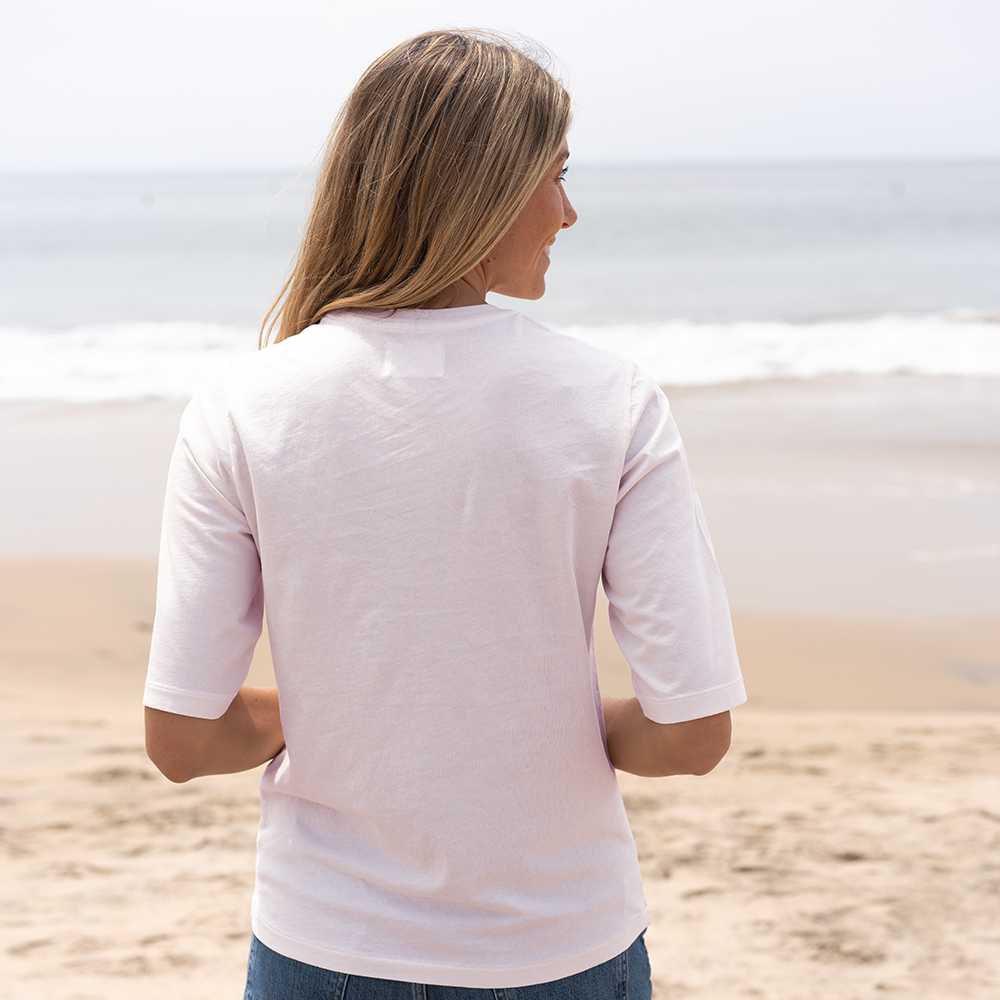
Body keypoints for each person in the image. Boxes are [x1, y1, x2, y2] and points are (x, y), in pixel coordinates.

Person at [143, 29, 745, 1000]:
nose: (569, 211)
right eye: (556, 176)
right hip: (563, 946)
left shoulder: (241, 409)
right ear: (484, 187)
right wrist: (525, 725)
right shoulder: (610, 401)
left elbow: (184, 740)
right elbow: (691, 735)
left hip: (326, 950)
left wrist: (354, 713)